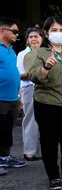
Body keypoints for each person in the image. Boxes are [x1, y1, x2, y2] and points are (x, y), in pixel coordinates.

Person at [28, 17, 62, 190]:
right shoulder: (40, 52)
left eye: (61, 30)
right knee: (49, 141)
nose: (58, 33)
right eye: (54, 30)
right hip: (47, 104)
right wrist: (45, 68)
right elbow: (33, 75)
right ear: (46, 33)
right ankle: (53, 176)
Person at [0, 19, 25, 175]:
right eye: (14, 31)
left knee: (7, 129)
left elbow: (14, 74)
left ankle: (5, 157)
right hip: (1, 98)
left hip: (13, 98)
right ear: (3, 30)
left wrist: (19, 94)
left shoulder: (11, 50)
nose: (17, 34)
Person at [17, 27, 43, 161]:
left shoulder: (45, 52)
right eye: (31, 37)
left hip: (45, 89)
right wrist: (37, 74)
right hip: (29, 89)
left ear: (42, 39)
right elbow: (19, 75)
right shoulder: (22, 54)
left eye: (36, 36)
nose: (33, 39)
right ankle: (29, 152)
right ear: (27, 40)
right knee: (30, 120)